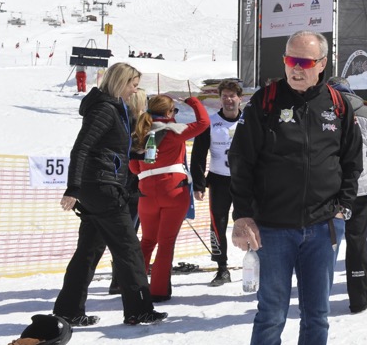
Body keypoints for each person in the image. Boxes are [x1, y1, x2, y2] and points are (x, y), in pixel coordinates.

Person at [229, 31, 361, 345]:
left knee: (317, 317)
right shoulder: (265, 103)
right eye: (290, 60)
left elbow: (351, 160)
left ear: (322, 64)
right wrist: (242, 215)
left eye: (304, 62)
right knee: (271, 317)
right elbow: (241, 161)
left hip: (321, 230)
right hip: (273, 230)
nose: (295, 69)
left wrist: (343, 206)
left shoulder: (338, 105)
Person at [54, 63, 165, 328]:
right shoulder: (104, 109)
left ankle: (69, 310)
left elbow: (106, 149)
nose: (134, 91)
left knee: (88, 251)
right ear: (119, 82)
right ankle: (139, 310)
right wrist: (73, 188)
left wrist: (136, 154)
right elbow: (81, 148)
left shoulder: (113, 108)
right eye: (133, 85)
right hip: (102, 187)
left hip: (99, 186)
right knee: (128, 248)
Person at [131, 93, 210, 301]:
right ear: (168, 113)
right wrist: (193, 101)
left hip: (147, 194)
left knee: (147, 240)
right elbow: (204, 122)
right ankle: (158, 290)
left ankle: (134, 288)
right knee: (166, 242)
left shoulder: (139, 134)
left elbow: (134, 168)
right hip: (174, 191)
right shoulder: (175, 131)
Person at [327, 78, 367, 313]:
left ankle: (317, 296)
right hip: (359, 185)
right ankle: (360, 298)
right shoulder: (365, 111)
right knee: (357, 241)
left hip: (327, 186)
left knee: (325, 243)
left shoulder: (322, 109)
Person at [191, 79, 244, 286]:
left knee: (251, 220)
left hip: (244, 181)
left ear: (240, 98)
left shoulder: (248, 121)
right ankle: (222, 268)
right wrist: (198, 184)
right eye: (224, 97)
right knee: (217, 223)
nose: (228, 100)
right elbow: (198, 154)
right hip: (219, 179)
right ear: (220, 99)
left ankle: (257, 263)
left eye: (232, 96)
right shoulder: (211, 122)